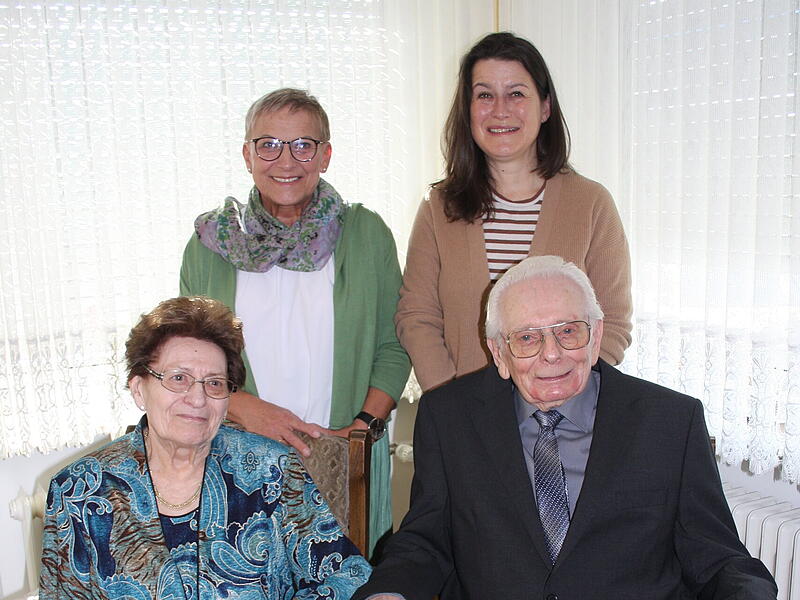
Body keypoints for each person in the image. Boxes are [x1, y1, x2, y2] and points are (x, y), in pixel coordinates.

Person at [356, 256, 777, 599]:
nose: (552, 354)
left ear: (595, 337)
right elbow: (427, 538)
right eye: (527, 338)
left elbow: (719, 559)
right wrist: (389, 592)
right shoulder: (450, 417)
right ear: (499, 352)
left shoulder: (669, 422)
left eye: (568, 331)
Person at [180, 88, 410, 553]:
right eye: (268, 144)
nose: (286, 160)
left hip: (342, 456)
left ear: (325, 155)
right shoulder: (210, 245)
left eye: (303, 145)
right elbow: (186, 361)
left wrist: (360, 428)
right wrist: (247, 408)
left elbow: (395, 343)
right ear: (247, 155)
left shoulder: (365, 235)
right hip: (239, 457)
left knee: (345, 575)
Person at [39, 296, 371, 599]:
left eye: (214, 383)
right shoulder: (79, 491)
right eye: (178, 378)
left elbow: (348, 574)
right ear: (139, 389)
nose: (198, 399)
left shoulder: (272, 471)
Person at [396, 32, 632, 392]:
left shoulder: (592, 204)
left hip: (564, 415)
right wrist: (453, 403)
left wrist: (563, 393)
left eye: (516, 94)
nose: (500, 110)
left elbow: (612, 322)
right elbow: (417, 318)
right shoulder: (438, 208)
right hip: (463, 412)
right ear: (467, 110)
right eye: (484, 95)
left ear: (545, 107)